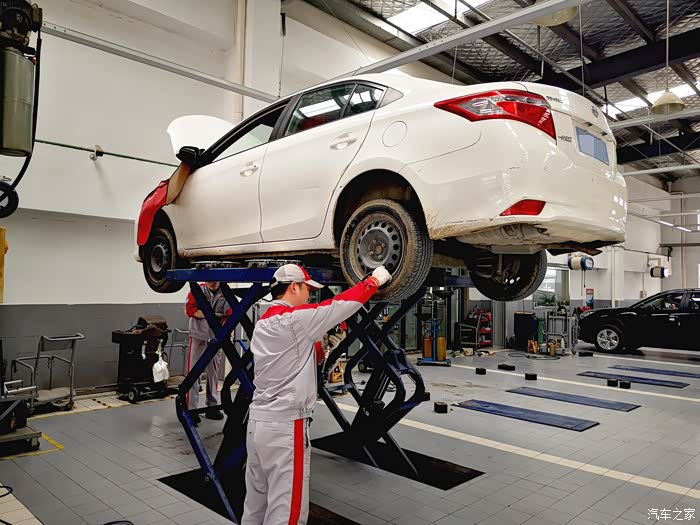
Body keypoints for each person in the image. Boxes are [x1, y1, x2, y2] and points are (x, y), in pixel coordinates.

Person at [242, 264, 392, 525]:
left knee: (255, 506)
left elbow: (294, 356)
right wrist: (375, 280)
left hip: (257, 425)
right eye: (307, 289)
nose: (309, 295)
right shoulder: (296, 320)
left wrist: (321, 348)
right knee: (287, 513)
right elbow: (340, 305)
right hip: (286, 428)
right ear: (293, 287)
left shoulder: (263, 324)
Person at [184, 281, 231, 425]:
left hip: (216, 338)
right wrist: (210, 315)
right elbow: (190, 310)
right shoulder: (198, 290)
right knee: (194, 373)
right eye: (210, 281)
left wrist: (219, 318)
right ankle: (191, 409)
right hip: (198, 336)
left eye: (215, 281)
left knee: (213, 374)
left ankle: (212, 407)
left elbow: (230, 312)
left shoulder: (225, 292)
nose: (213, 283)